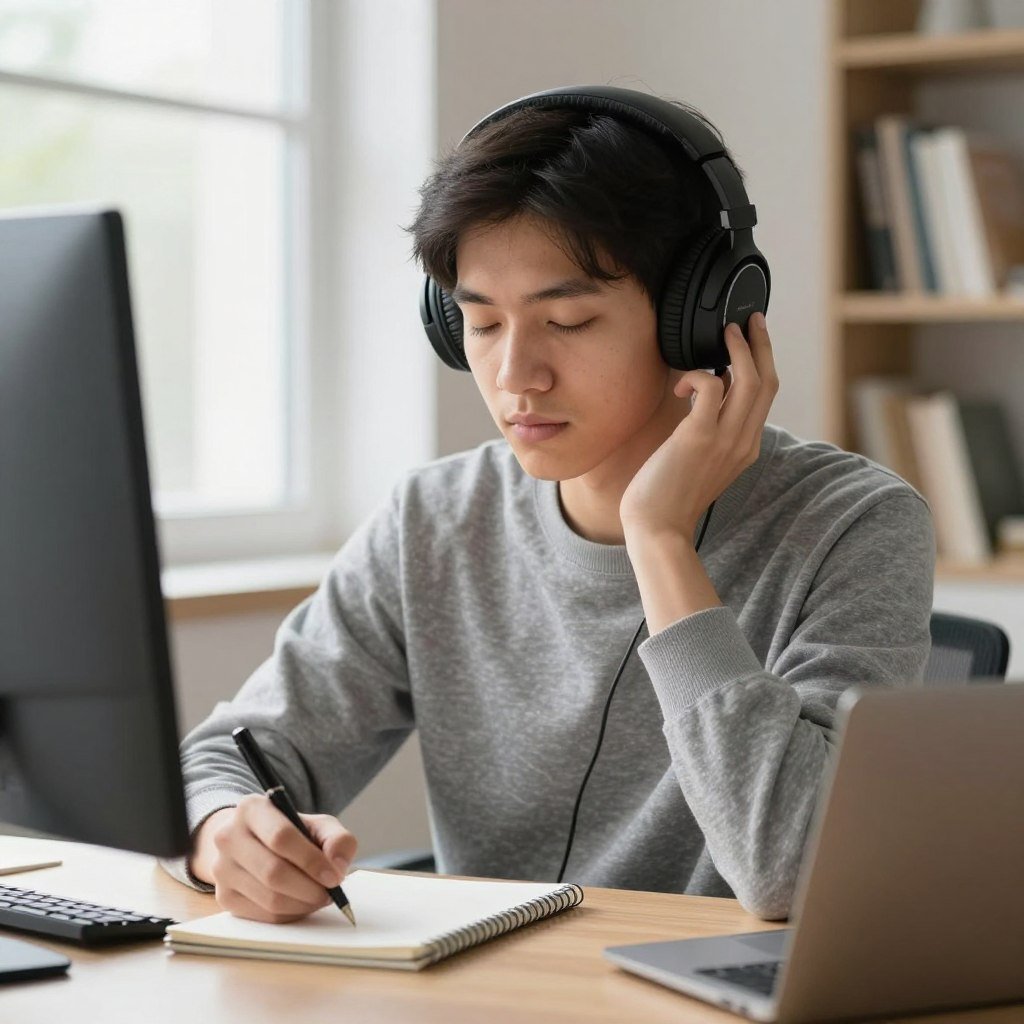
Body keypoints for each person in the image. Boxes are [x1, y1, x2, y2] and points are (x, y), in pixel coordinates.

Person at [162, 87, 935, 924]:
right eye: (483, 324)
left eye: (567, 320)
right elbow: (223, 757)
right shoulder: (435, 520)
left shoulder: (854, 525)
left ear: (703, 319)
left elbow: (789, 867)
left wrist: (661, 540)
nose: (515, 376)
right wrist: (221, 836)